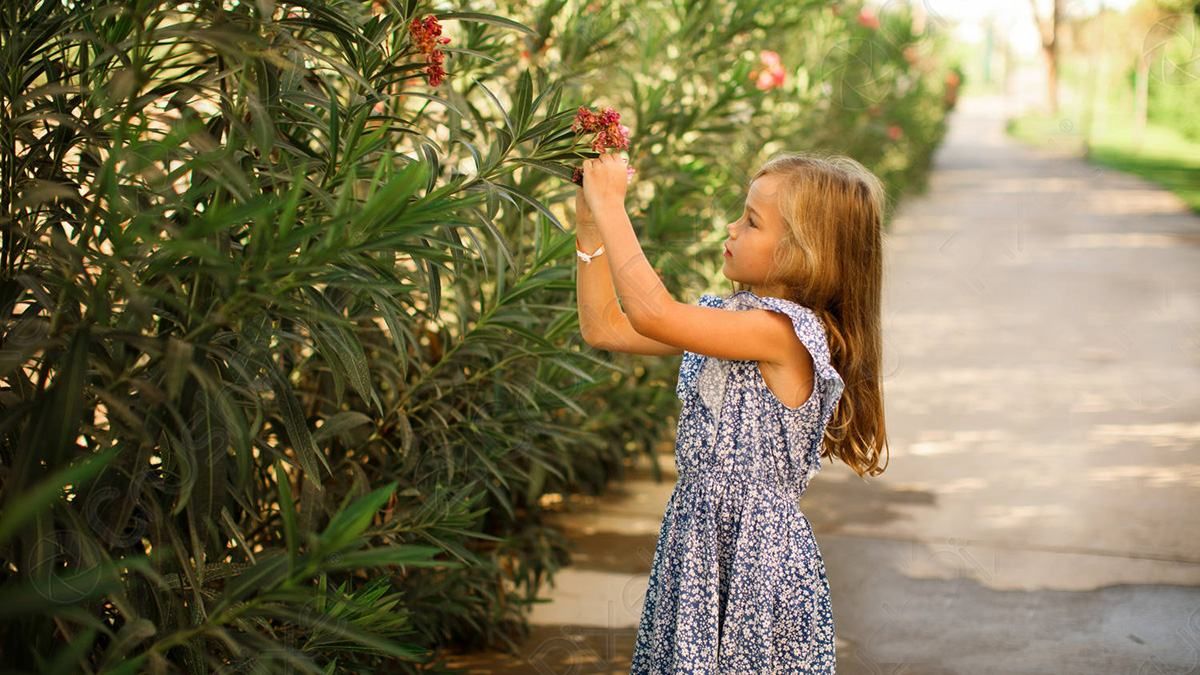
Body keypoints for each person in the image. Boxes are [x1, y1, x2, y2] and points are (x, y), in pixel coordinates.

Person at [575, 150, 890, 673]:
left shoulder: (783, 334)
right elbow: (604, 326)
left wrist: (612, 204)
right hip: (699, 546)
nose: (731, 226)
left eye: (751, 221)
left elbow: (653, 313)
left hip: (753, 564)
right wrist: (590, 223)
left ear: (801, 254)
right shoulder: (730, 318)